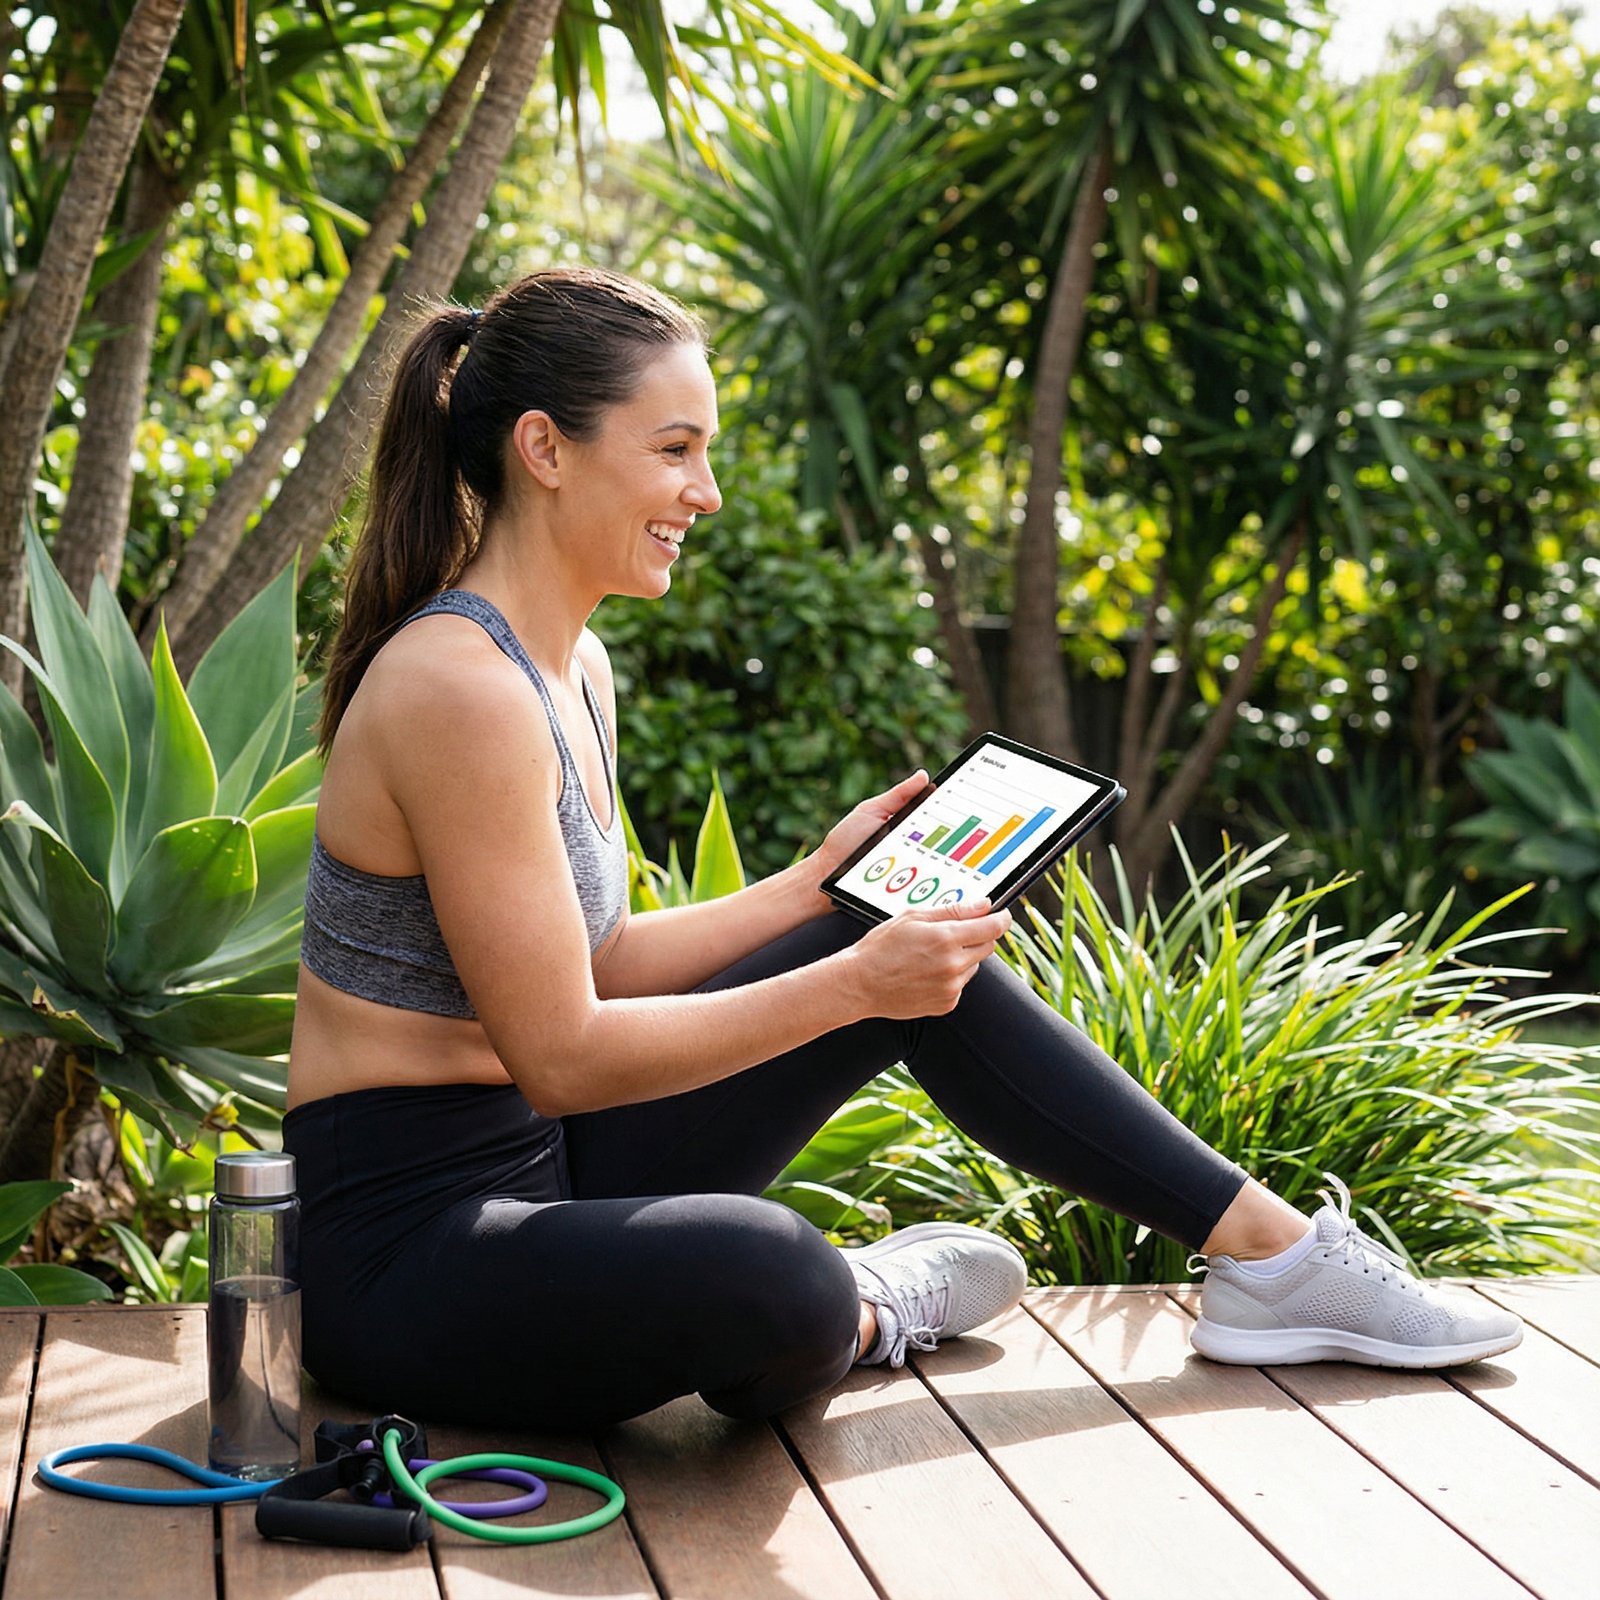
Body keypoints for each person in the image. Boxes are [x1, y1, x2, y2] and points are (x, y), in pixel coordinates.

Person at [283, 267, 1519, 1430]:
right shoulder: (460, 686)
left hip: (539, 1161)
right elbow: (560, 1052)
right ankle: (865, 1302)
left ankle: (1276, 1256)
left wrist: (810, 891)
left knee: (892, 938)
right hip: (402, 1242)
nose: (704, 494)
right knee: (781, 1276)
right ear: (543, 448)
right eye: (675, 450)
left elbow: (594, 959)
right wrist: (848, 988)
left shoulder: (572, 666)